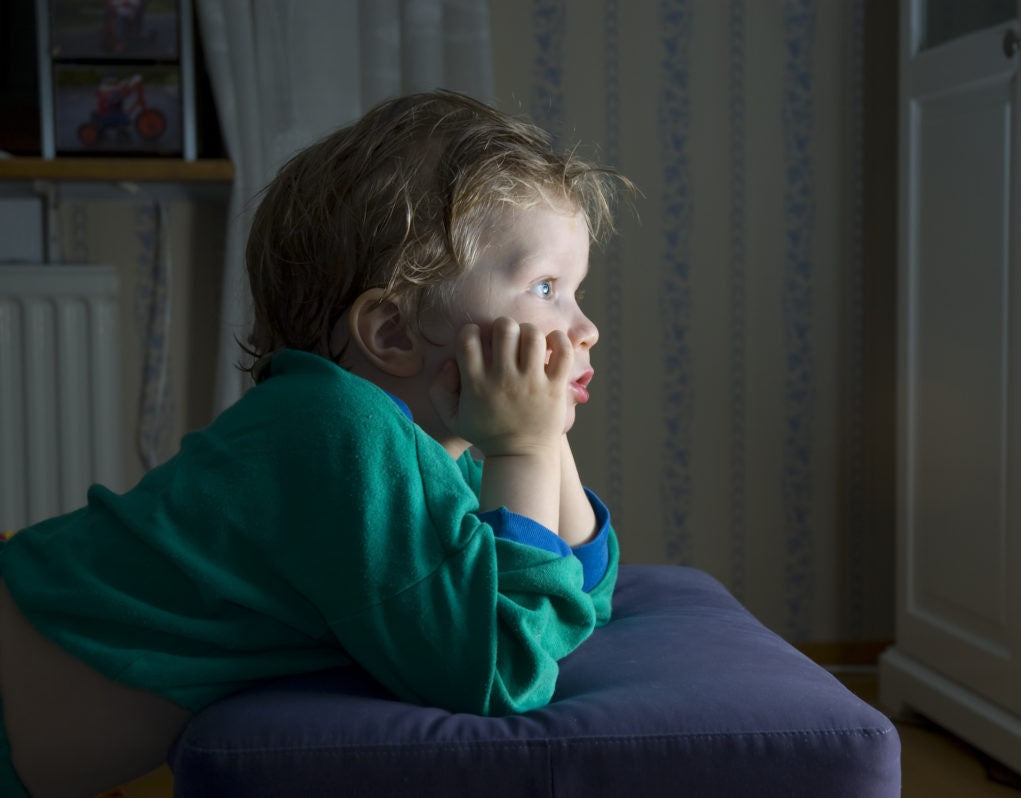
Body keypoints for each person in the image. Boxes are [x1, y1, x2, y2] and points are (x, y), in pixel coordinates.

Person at [0, 89, 634, 797]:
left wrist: (543, 443)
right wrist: (524, 451)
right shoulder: (340, 433)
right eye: (546, 287)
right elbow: (503, 669)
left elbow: (580, 599)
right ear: (391, 333)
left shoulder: (426, 454)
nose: (584, 327)